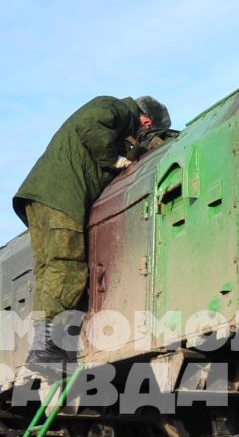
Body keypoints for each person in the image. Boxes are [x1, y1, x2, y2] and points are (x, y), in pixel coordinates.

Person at [12, 94, 169, 372]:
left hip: (40, 198)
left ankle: (44, 349)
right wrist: (118, 160)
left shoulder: (114, 119)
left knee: (49, 271)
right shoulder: (114, 107)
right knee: (66, 265)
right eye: (145, 129)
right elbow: (90, 127)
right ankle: (47, 348)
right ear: (145, 120)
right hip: (60, 196)